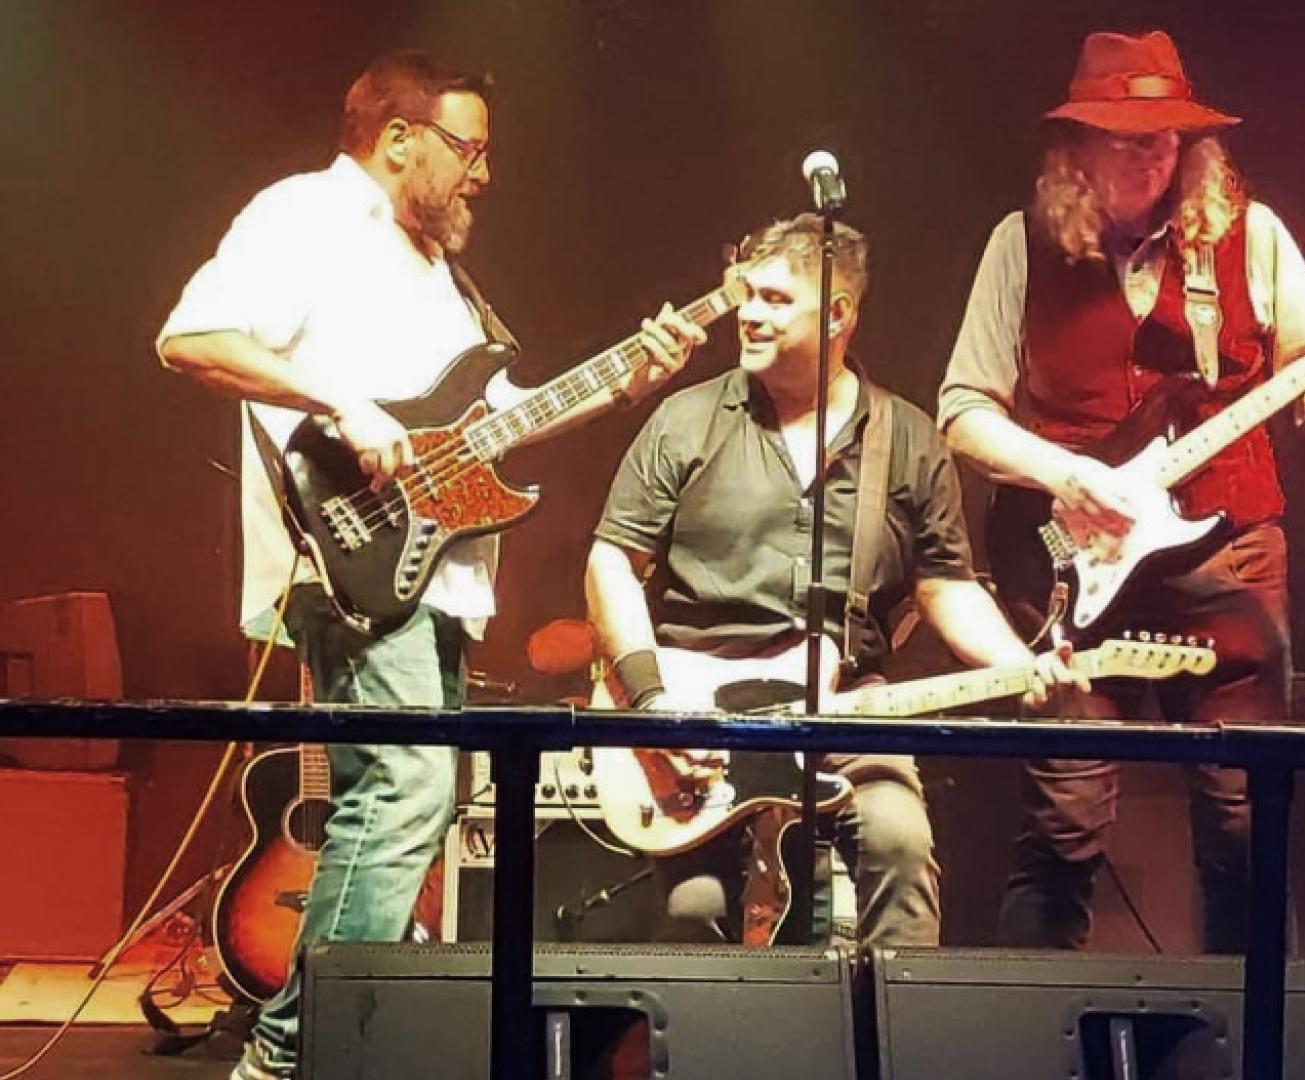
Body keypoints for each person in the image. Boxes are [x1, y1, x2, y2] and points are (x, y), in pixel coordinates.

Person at [156, 50, 702, 1080]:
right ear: (398, 138)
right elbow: (191, 338)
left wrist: (622, 383)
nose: (483, 174)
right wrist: (342, 403)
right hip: (356, 566)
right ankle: (290, 1057)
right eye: (468, 148)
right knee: (403, 790)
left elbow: (488, 427)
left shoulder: (442, 276)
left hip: (432, 577)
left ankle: (318, 1048)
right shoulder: (308, 215)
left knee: (408, 796)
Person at [937, 30, 1305, 954]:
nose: (1151, 155)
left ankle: (1258, 1023)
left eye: (1166, 137)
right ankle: (1030, 1023)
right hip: (1072, 567)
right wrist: (1064, 471)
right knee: (1061, 826)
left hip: (1230, 556)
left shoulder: (1254, 238)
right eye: (1126, 138)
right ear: (1077, 148)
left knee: (1247, 822)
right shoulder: (1018, 245)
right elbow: (962, 410)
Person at [586, 214, 1085, 947]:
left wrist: (1020, 663)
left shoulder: (905, 438)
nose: (749, 314)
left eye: (775, 300)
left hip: (846, 707)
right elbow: (612, 563)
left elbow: (945, 585)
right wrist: (654, 706)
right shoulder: (685, 422)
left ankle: (890, 1018)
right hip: (699, 717)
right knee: (697, 911)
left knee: (901, 850)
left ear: (838, 314)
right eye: (746, 294)